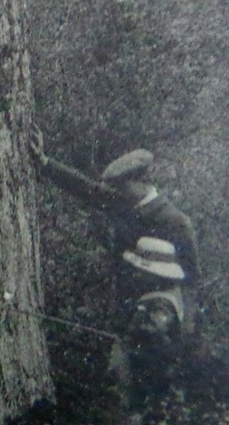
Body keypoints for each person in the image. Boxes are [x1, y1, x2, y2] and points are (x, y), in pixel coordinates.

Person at [30, 135, 200, 396]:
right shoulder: (124, 202)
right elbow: (86, 189)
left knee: (151, 384)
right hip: (124, 312)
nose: (115, 193)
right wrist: (45, 163)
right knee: (119, 383)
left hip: (159, 316)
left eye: (120, 187)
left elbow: (191, 280)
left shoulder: (176, 222)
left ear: (139, 182)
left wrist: (187, 337)